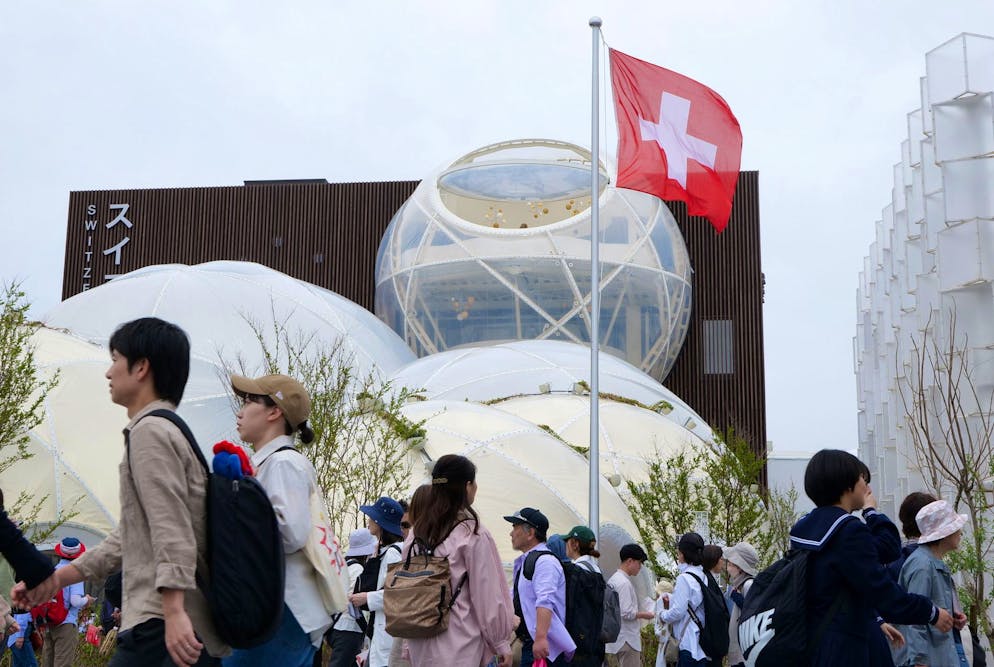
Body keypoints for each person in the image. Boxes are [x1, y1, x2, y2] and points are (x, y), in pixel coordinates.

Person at [15, 317, 227, 665]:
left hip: (161, 626)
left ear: (141, 367)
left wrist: (173, 610)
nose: (108, 372)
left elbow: (171, 527)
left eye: (115, 359)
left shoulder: (151, 433)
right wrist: (56, 580)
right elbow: (128, 537)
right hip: (172, 624)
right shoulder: (170, 431)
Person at [789, 449, 954, 666]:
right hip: (842, 650)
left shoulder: (803, 529)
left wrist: (875, 619)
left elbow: (866, 568)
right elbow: (883, 588)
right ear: (847, 485)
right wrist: (931, 612)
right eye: (863, 480)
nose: (867, 488)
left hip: (811, 643)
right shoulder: (848, 531)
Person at [224, 373, 331, 667]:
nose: (240, 412)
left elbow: (291, 533)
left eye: (249, 401)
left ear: (274, 412)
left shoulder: (284, 463)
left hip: (281, 609)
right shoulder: (275, 462)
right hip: (279, 608)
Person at [403, 454, 514, 667]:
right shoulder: (472, 533)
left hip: (420, 640)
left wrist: (408, 643)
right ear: (467, 486)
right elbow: (488, 595)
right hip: (459, 643)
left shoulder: (417, 533)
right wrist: (500, 642)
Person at [895, 500, 970, 667]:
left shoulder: (930, 562)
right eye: (956, 527)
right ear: (945, 533)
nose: (960, 532)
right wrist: (919, 660)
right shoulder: (922, 565)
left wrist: (952, 619)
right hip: (928, 659)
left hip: (939, 656)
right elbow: (915, 616)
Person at [506, 507, 575, 667]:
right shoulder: (527, 561)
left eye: (515, 527)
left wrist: (541, 638)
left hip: (543, 648)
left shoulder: (545, 562)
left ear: (530, 533)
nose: (511, 533)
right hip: (532, 643)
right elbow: (515, 596)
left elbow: (545, 600)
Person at [348, 496, 405, 667]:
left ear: (380, 523)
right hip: (383, 635)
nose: (369, 520)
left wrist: (367, 598)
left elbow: (398, 594)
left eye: (372, 517)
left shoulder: (393, 554)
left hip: (386, 634)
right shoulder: (389, 551)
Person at [657, 533, 708, 667]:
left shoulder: (684, 578)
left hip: (686, 642)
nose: (678, 556)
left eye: (679, 553)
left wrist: (662, 615)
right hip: (701, 644)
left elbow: (678, 611)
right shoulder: (703, 576)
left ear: (684, 554)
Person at [329, 528, 377, 667]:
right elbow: (353, 602)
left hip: (337, 627)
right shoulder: (358, 569)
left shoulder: (344, 566)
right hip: (349, 629)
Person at [42, 537, 91, 667]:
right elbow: (75, 601)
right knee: (62, 662)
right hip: (66, 623)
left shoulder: (53, 570)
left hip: (49, 621)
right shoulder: (74, 573)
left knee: (47, 661)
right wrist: (87, 599)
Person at [605, 544, 655, 667]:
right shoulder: (624, 583)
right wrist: (645, 615)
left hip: (617, 637)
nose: (640, 567)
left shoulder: (614, 579)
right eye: (639, 563)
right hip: (627, 640)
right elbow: (626, 612)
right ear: (630, 561)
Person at [722, 542, 758, 667]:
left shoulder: (748, 585)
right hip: (741, 648)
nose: (728, 567)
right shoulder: (740, 584)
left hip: (745, 651)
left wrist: (738, 599)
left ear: (740, 567)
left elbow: (753, 612)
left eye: (731, 564)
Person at [652, 580, 675, 667]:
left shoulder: (667, 613)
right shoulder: (668, 611)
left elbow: (659, 633)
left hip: (668, 648)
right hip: (667, 647)